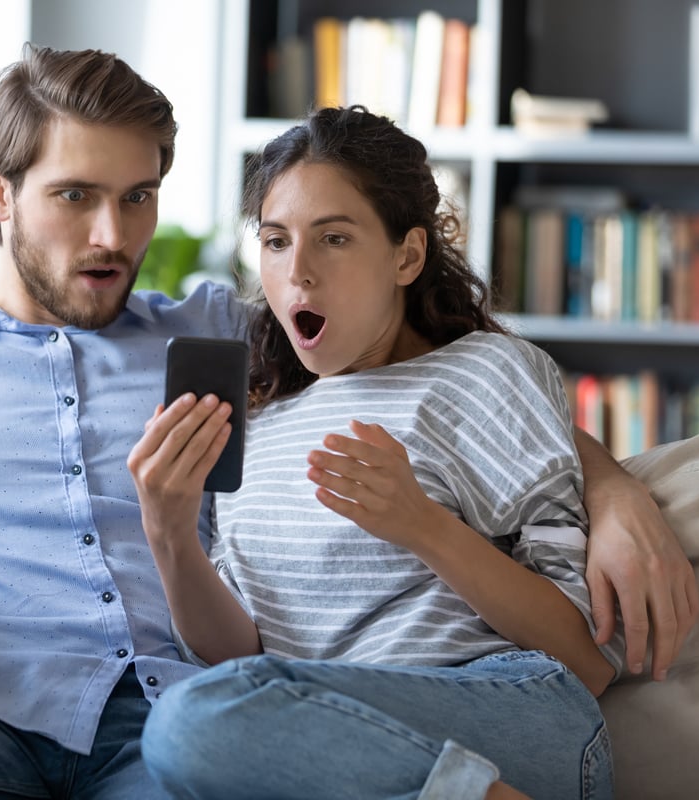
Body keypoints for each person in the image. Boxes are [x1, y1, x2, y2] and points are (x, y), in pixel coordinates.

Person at [0, 44, 692, 798]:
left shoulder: (224, 334)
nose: (114, 234)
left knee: (215, 744)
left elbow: (415, 366)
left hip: (189, 718)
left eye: (139, 195)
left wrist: (611, 486)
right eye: (76, 196)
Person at [127, 106, 634, 799]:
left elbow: (586, 658)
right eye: (275, 242)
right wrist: (169, 533)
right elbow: (239, 657)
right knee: (197, 720)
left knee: (187, 723)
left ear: (407, 256)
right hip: (335, 747)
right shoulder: (260, 422)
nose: (298, 272)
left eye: (333, 238)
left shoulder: (489, 373)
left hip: (517, 710)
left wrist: (423, 525)